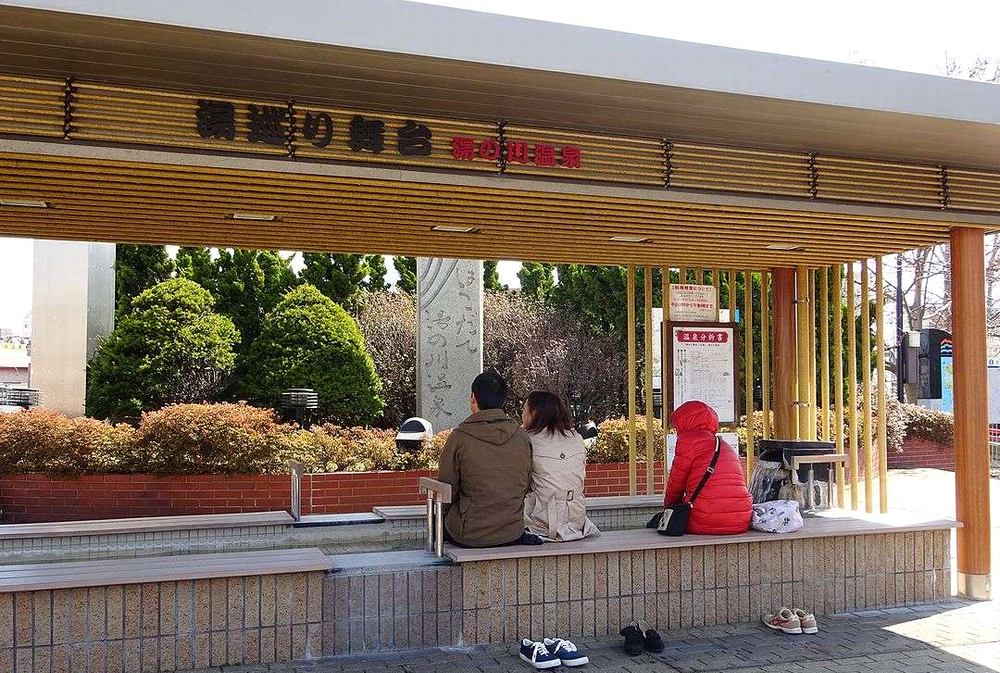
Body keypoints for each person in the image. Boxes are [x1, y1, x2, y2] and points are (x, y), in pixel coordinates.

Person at [437, 371, 536, 547]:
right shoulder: (521, 437)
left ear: (473, 398)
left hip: (469, 534)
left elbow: (446, 490)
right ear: (503, 401)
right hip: (512, 531)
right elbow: (526, 484)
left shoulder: (459, 437)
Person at [663, 400, 752, 535]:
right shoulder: (723, 445)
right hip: (741, 520)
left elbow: (676, 484)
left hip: (706, 520)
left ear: (684, 422)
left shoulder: (688, 441)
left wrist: (669, 510)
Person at [522, 390, 599, 542]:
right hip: (576, 523)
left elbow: (519, 482)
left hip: (540, 524)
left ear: (534, 412)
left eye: (524, 409)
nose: (522, 415)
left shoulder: (528, 440)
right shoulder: (576, 438)